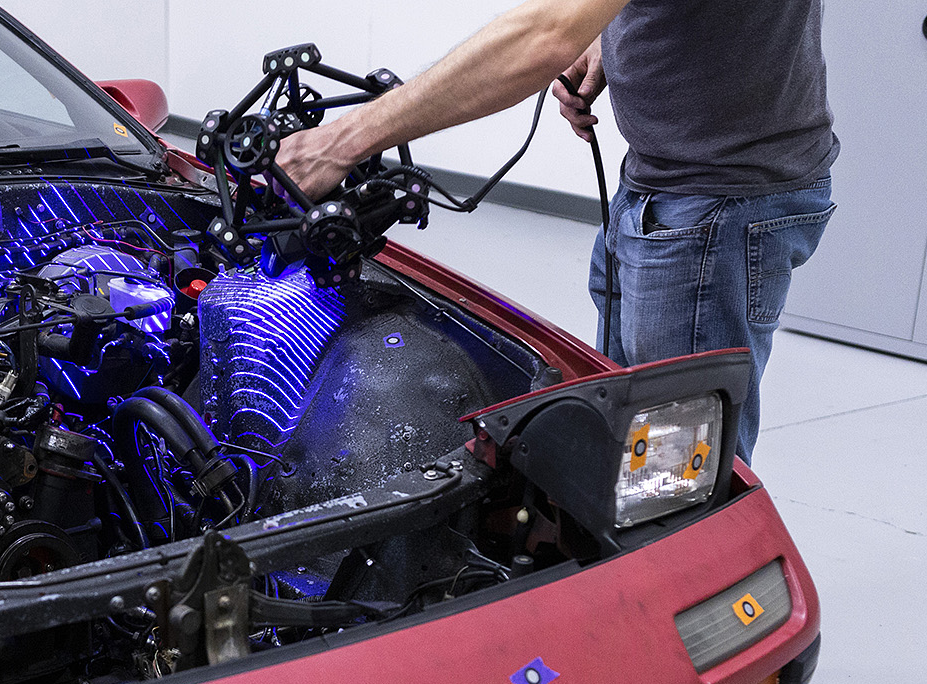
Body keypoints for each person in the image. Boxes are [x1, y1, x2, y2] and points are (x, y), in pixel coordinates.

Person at [277, 0, 837, 463]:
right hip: (671, 185)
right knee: (631, 444)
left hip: (713, 205)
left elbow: (541, 35)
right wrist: (606, 38)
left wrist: (341, 143)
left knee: (678, 474)